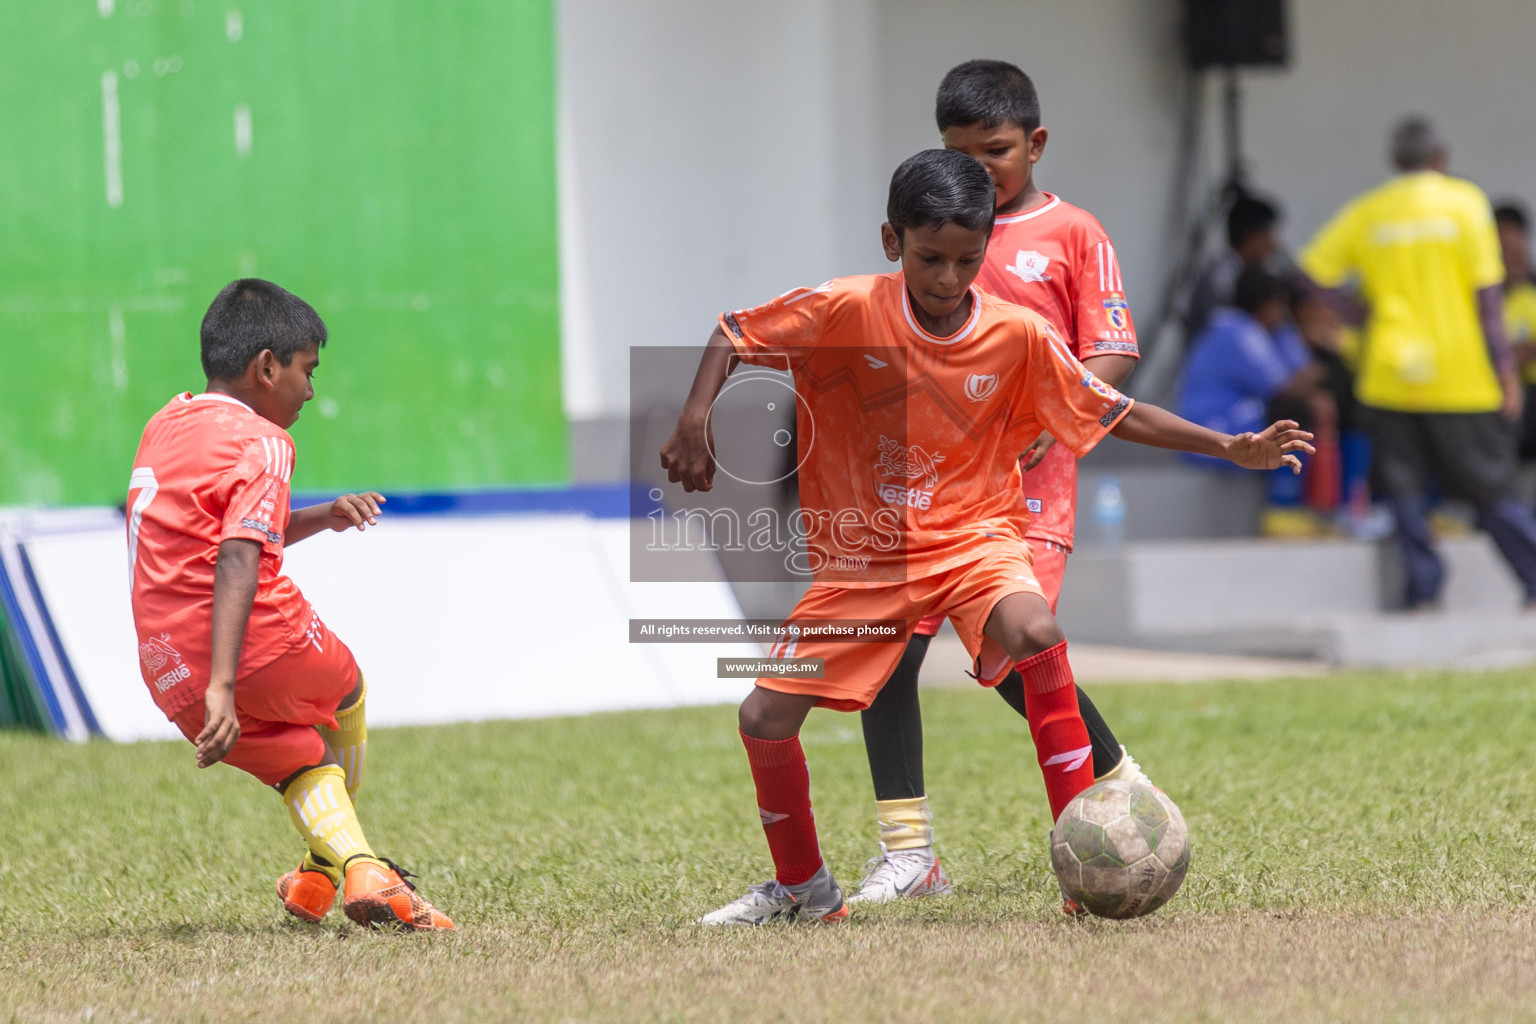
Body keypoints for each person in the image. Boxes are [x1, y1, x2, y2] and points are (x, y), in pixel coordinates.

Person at [661, 149, 1311, 925]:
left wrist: (1227, 443)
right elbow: (734, 332)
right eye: (930, 258)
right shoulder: (843, 307)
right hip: (867, 561)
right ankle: (805, 890)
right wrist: (695, 416)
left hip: (976, 538)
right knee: (762, 718)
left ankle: (1082, 868)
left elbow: (1114, 410)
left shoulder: (1017, 333)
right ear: (890, 240)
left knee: (1034, 630)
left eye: (967, 260)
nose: (947, 278)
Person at [851, 59, 1146, 910]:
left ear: (1037, 144)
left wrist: (1047, 420)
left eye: (995, 153)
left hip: (1028, 496)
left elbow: (1113, 351)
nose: (976, 172)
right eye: (959, 154)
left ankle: (1116, 783)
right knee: (886, 658)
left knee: (1018, 656)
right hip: (923, 494)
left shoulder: (1074, 234)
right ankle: (908, 855)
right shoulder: (935, 225)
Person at [126, 279, 454, 931]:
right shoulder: (266, 441)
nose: (310, 390)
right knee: (348, 691)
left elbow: (215, 530)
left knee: (303, 758)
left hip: (168, 670)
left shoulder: (165, 424)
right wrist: (227, 684)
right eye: (308, 371)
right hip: (252, 644)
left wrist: (320, 517)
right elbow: (238, 556)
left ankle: (337, 874)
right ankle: (333, 869)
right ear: (267, 366)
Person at [1299, 117, 1536, 608]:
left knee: (1401, 490)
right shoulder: (1466, 204)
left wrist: (1359, 314)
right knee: (1492, 489)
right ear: (1441, 155)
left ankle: (1424, 589)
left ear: (1395, 160)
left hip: (1388, 373)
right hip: (1461, 375)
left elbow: (1311, 272)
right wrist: (1506, 372)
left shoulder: (1370, 211)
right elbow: (1488, 299)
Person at [1179, 265, 1336, 533]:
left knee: (1323, 405)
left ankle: (1331, 508)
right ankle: (1283, 511)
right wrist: (1331, 350)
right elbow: (1286, 386)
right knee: (1292, 413)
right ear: (1265, 306)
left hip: (1238, 418)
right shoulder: (1235, 329)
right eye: (1279, 307)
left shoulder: (1268, 331)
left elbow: (1300, 372)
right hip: (1211, 427)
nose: (1282, 315)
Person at [1185, 191, 1285, 341]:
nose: (1274, 245)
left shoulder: (1255, 273)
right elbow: (1216, 333)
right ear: (1251, 237)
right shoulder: (1220, 278)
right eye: (1268, 235)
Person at [1494, 202, 1536, 460]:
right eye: (1505, 254)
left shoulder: (1529, 293)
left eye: (1517, 252)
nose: (1514, 262)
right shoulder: (1477, 297)